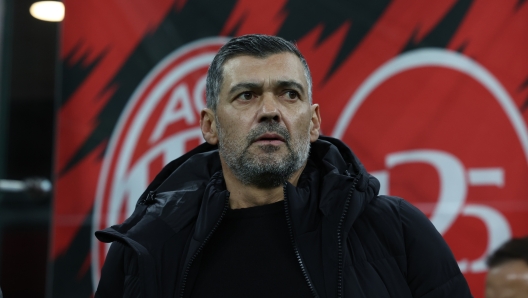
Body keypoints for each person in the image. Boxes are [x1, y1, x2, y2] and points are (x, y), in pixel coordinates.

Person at [95, 34, 472, 297]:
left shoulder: (398, 231)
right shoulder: (147, 247)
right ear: (210, 125)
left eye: (289, 94)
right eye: (247, 96)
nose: (270, 111)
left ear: (313, 121)